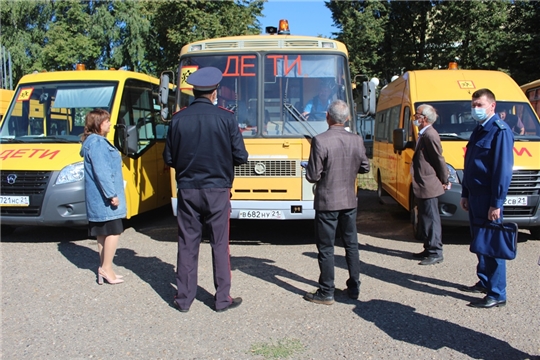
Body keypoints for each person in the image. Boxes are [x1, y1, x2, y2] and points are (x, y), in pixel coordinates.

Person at [163, 66, 249, 313]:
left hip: (188, 189)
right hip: (218, 190)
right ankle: (222, 299)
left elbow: (168, 158)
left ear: (194, 92)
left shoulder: (178, 119)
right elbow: (241, 156)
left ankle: (184, 300)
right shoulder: (226, 118)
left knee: (187, 244)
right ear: (215, 92)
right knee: (220, 244)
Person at [303, 100, 370, 305]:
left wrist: (311, 169)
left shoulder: (320, 140)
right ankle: (354, 286)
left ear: (327, 117)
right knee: (351, 245)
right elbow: (365, 167)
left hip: (327, 201)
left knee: (326, 248)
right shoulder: (357, 140)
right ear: (347, 118)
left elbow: (313, 176)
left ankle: (326, 291)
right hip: (349, 200)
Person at [459, 88, 514, 308]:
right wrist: (465, 193)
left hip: (488, 198)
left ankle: (497, 293)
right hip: (474, 196)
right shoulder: (479, 130)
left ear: (492, 106)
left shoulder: (499, 131)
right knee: (480, 242)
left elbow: (502, 170)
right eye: (473, 105)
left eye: (479, 105)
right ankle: (485, 280)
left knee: (492, 245)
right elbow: (470, 164)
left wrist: (496, 203)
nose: (476, 109)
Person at [80, 109, 126, 285]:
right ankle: (106, 268)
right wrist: (112, 194)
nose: (109, 124)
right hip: (104, 200)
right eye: (106, 121)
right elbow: (103, 172)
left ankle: (106, 268)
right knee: (114, 231)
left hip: (97, 199)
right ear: (99, 124)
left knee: (102, 234)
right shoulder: (98, 144)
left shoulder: (91, 142)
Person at [411, 104, 450, 265]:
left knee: (432, 218)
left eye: (417, 114)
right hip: (423, 183)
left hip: (429, 183)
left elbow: (438, 159)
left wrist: (445, 180)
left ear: (424, 118)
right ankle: (428, 247)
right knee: (425, 217)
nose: (415, 117)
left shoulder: (430, 135)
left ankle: (435, 251)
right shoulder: (423, 134)